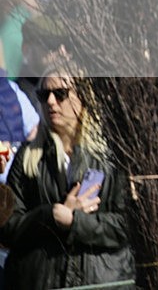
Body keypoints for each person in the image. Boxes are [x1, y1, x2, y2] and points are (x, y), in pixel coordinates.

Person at [0, 68, 133, 289]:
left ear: (83, 97)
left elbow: (126, 226)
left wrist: (75, 222)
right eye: (44, 95)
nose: (51, 102)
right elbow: (8, 225)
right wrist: (50, 216)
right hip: (41, 279)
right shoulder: (28, 155)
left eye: (60, 94)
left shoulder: (112, 156)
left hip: (101, 281)